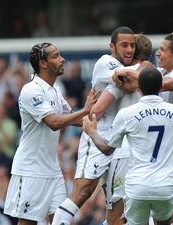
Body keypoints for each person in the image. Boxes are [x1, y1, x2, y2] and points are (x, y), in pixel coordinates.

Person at [51, 26, 138, 225]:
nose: (129, 49)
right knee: (83, 191)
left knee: (118, 203)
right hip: (98, 132)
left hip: (120, 142)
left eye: (132, 46)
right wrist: (142, 70)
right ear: (112, 46)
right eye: (124, 45)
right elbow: (130, 83)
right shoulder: (105, 62)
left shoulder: (135, 67)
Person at [3, 42, 97, 225]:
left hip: (53, 170)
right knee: (28, 222)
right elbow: (54, 122)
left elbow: (70, 118)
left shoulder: (55, 90)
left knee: (61, 220)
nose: (62, 59)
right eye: (55, 56)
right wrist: (85, 111)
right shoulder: (31, 90)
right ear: (43, 63)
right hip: (31, 170)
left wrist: (103, 120)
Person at [83, 67, 173, 225]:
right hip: (165, 185)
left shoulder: (127, 114)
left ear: (138, 89)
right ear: (162, 88)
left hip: (138, 186)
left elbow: (107, 149)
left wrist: (92, 132)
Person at [115, 32, 173, 211]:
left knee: (169, 210)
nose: (158, 53)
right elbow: (145, 73)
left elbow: (160, 83)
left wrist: (126, 71)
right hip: (155, 152)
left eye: (163, 50)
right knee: (145, 208)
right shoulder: (161, 71)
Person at [104, 33, 154, 225]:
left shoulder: (123, 77)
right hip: (147, 156)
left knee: (114, 217)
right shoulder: (155, 78)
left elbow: (98, 108)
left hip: (123, 152)